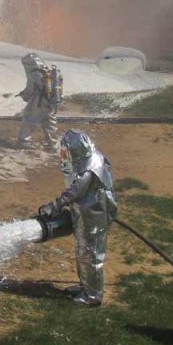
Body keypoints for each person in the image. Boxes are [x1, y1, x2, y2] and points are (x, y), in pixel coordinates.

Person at [38, 130, 118, 306]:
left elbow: (74, 192)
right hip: (86, 213)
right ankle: (86, 287)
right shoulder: (86, 159)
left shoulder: (89, 169)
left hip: (94, 216)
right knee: (83, 252)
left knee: (91, 255)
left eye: (66, 151)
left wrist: (53, 206)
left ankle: (93, 296)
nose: (63, 154)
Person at [16, 52, 61, 151]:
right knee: (49, 122)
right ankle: (52, 144)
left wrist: (25, 96)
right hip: (51, 100)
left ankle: (23, 141)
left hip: (39, 101)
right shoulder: (47, 71)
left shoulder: (34, 73)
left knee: (29, 119)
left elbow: (30, 89)